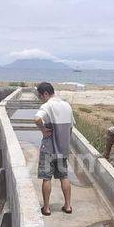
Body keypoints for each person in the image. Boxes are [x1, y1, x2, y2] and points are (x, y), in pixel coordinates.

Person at [34, 82, 74, 216]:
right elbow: (71, 127)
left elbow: (37, 119)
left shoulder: (47, 105)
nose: (41, 99)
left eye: (40, 96)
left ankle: (46, 208)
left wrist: (43, 130)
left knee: (46, 178)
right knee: (64, 176)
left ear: (45, 93)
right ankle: (68, 206)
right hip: (62, 149)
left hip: (49, 148)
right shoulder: (67, 105)